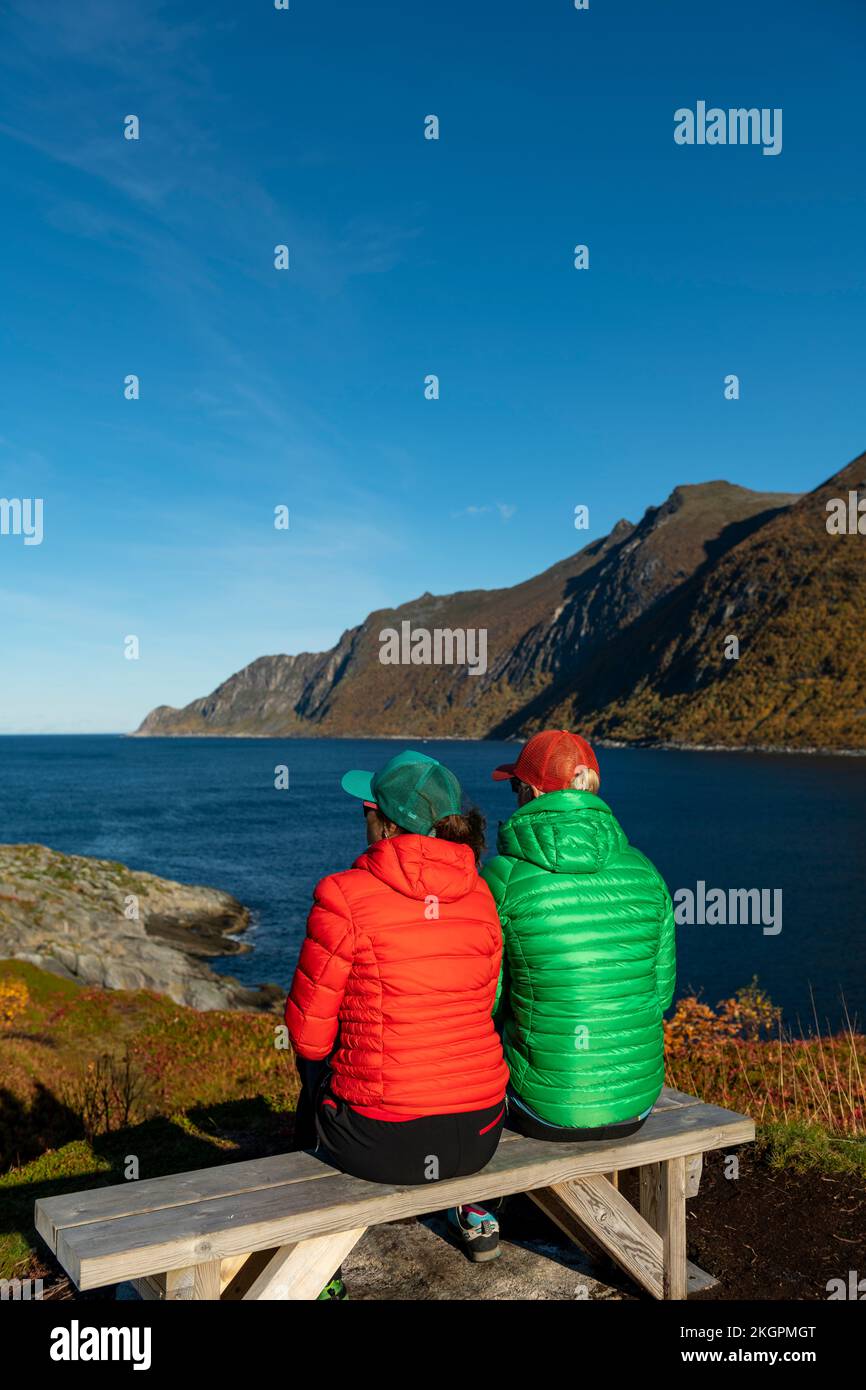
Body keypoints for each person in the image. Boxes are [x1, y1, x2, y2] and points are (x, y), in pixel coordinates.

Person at [285, 750, 509, 1295]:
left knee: (311, 1080)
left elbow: (309, 1034)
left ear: (386, 823)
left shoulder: (342, 895)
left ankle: (318, 1271)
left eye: (368, 805)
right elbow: (488, 1000)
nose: (362, 813)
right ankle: (473, 1209)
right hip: (481, 1133)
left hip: (382, 1142)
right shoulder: (481, 894)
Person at [483, 729, 676, 1139]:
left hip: (539, 1108)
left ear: (532, 792)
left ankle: (478, 1203)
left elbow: (487, 1001)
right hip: (636, 1104)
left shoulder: (502, 879)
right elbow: (660, 994)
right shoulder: (645, 871)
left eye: (516, 785)